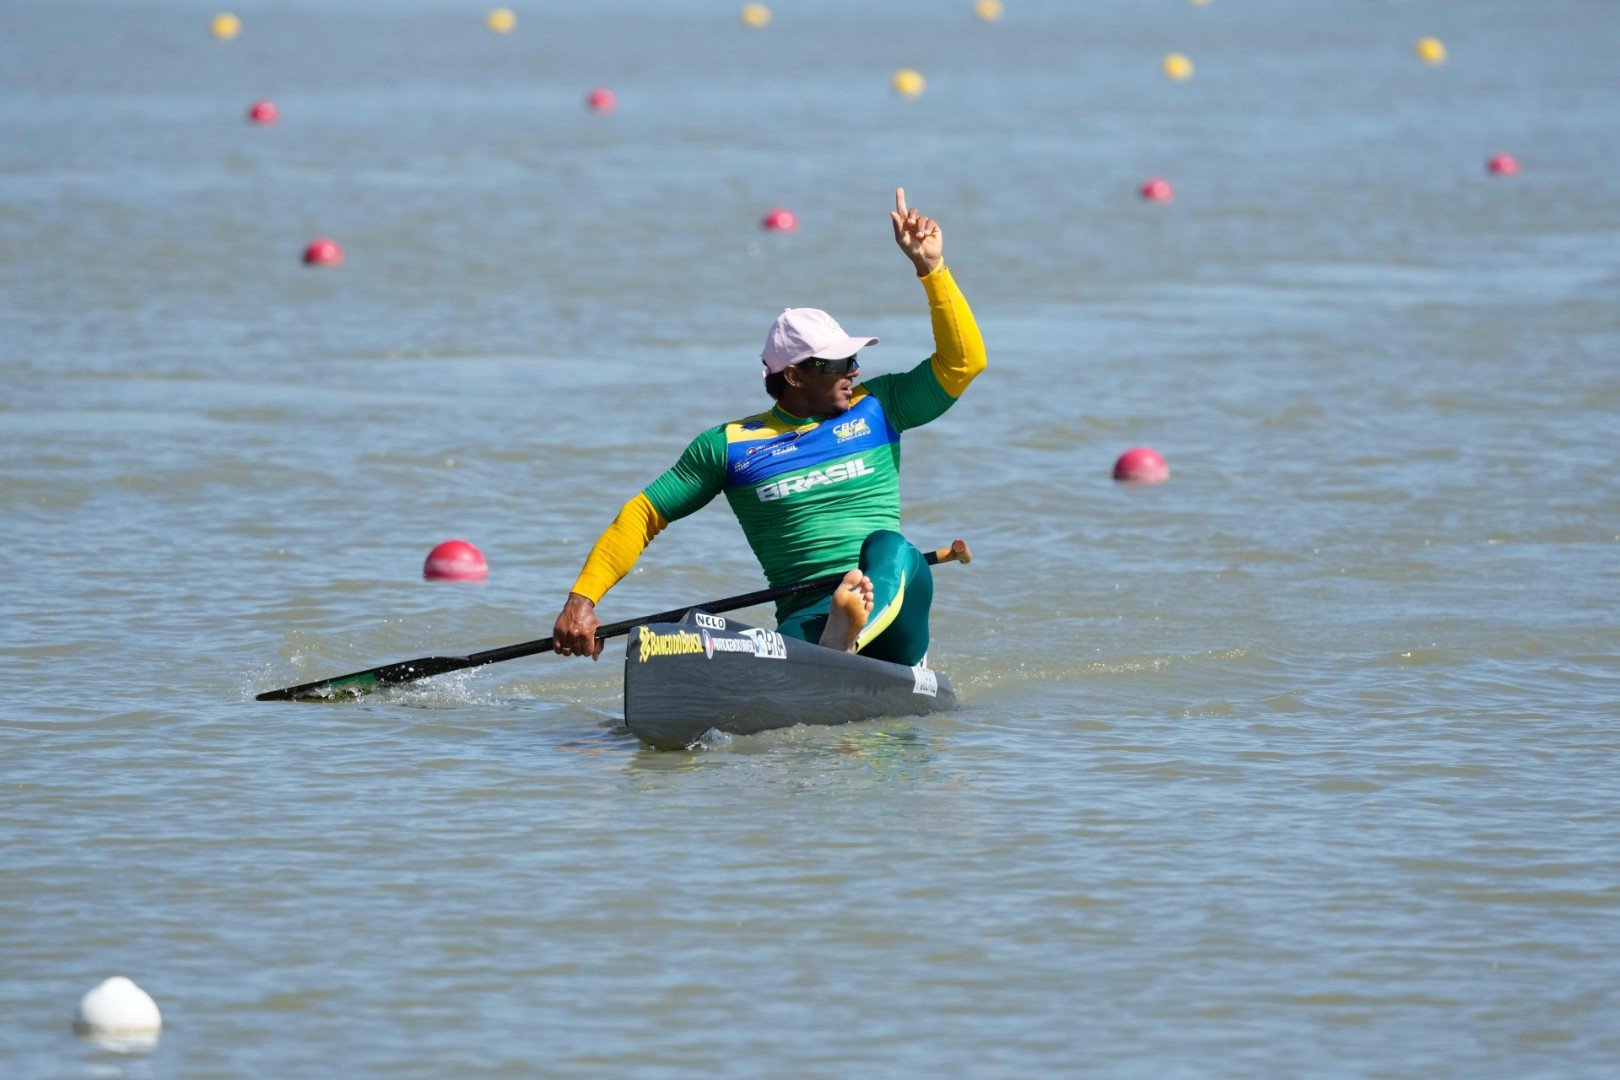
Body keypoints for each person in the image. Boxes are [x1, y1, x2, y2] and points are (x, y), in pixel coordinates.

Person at [550, 187, 986, 665]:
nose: (854, 371)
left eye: (854, 359)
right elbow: (643, 514)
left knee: (891, 548)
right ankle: (828, 646)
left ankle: (845, 642)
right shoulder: (730, 446)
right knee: (701, 639)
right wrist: (581, 602)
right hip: (806, 615)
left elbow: (963, 364)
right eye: (838, 363)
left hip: (893, 611)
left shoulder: (880, 406)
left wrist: (931, 269)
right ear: (795, 376)